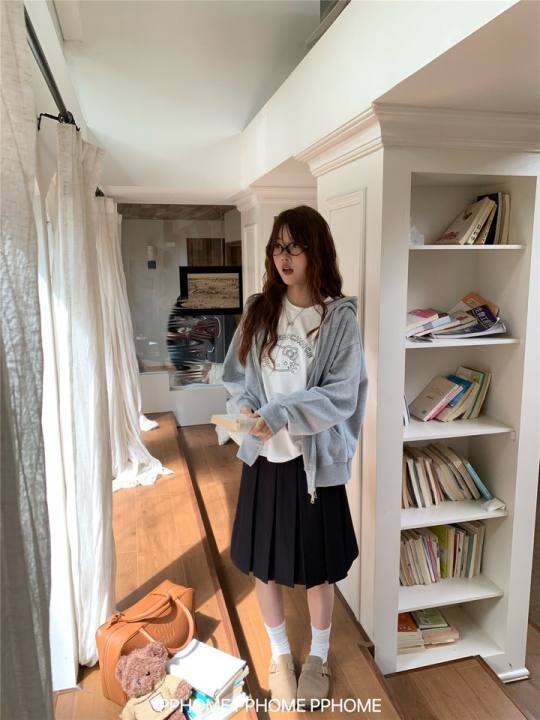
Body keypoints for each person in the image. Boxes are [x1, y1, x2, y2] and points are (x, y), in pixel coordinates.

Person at [221, 205, 368, 710]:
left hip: (314, 464)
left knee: (318, 569)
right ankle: (280, 656)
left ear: (315, 250)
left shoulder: (338, 319)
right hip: (265, 459)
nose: (284, 257)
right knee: (264, 567)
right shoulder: (259, 310)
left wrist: (281, 411)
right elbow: (239, 381)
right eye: (278, 247)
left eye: (295, 246)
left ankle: (318, 658)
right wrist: (244, 407)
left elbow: (341, 396)